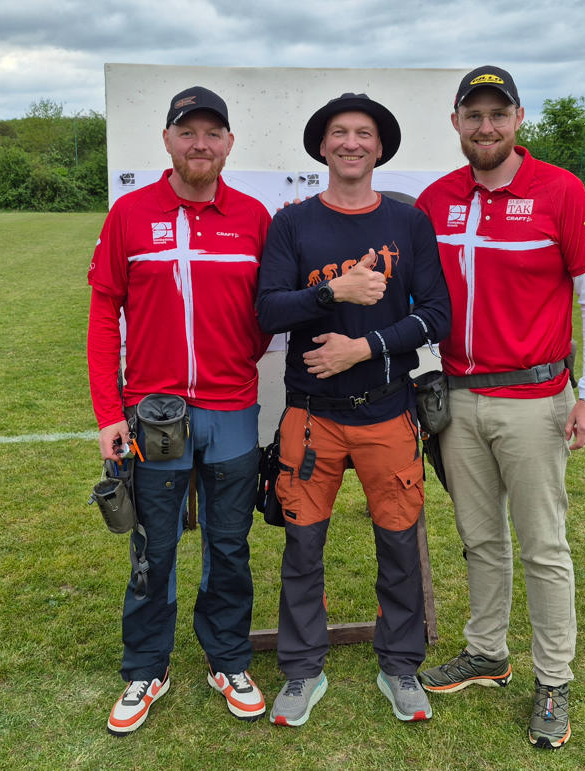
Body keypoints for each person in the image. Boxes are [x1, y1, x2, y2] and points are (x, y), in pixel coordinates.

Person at [414, 66, 585, 749]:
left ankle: (552, 678)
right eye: (472, 115)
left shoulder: (559, 189)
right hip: (457, 398)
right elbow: (416, 299)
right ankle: (486, 651)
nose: (485, 127)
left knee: (542, 546)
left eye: (497, 114)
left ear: (518, 119)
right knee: (479, 539)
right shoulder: (434, 199)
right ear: (455, 123)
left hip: (533, 398)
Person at [256, 93, 451, 726]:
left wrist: (364, 345)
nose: (350, 143)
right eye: (338, 133)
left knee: (398, 546)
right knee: (302, 549)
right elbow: (268, 312)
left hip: (388, 413)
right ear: (321, 147)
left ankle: (400, 666)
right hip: (310, 417)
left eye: (363, 133)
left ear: (380, 147)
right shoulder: (292, 223)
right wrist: (331, 291)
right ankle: (301, 670)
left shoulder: (407, 223)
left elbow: (437, 315)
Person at [87, 86, 272, 735]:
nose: (200, 143)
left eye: (211, 132)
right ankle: (147, 664)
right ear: (167, 140)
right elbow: (103, 312)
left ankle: (227, 657)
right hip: (152, 416)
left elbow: (268, 315)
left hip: (232, 410)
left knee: (229, 544)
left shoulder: (254, 217)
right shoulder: (131, 214)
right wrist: (111, 410)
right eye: (186, 131)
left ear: (227, 142)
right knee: (152, 546)